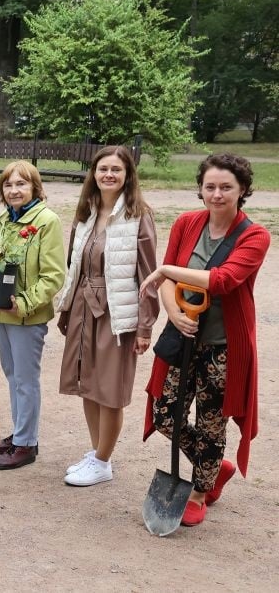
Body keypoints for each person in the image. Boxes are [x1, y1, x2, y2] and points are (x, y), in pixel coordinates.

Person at [139, 154, 269, 527]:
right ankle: (213, 465)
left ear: (242, 189)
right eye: (210, 186)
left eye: (226, 187)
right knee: (165, 414)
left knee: (211, 420)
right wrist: (174, 313)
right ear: (200, 189)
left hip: (223, 346)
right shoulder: (186, 223)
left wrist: (165, 270)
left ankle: (200, 491)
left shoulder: (254, 235)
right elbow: (168, 286)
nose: (216, 194)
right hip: (182, 336)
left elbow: (225, 280)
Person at [54, 146, 158, 486]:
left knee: (109, 390)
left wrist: (145, 325)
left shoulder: (138, 214)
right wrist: (67, 308)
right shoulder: (86, 212)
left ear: (128, 175)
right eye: (103, 169)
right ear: (94, 174)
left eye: (116, 169)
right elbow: (74, 265)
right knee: (87, 385)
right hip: (85, 306)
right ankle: (97, 451)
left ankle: (102, 460)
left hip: (117, 312)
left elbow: (148, 275)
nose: (109, 175)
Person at [0, 161, 65, 470]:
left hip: (26, 315)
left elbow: (54, 275)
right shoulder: (3, 220)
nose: (14, 190)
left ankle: (26, 444)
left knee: (26, 380)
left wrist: (25, 302)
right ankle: (19, 433)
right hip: (2, 313)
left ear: (35, 188)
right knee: (12, 375)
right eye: (8, 185)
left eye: (21, 184)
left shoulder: (46, 221)